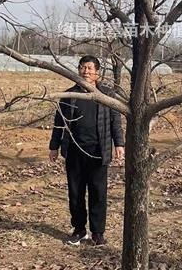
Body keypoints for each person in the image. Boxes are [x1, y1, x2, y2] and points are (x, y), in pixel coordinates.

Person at [49, 55, 125, 246]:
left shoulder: (106, 95)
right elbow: (59, 124)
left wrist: (119, 144)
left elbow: (115, 121)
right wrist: (54, 147)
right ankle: (79, 230)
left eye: (90, 68)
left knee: (98, 192)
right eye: (83, 68)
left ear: (97, 72)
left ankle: (97, 232)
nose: (86, 72)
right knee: (75, 193)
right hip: (74, 152)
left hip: (99, 152)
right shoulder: (70, 95)